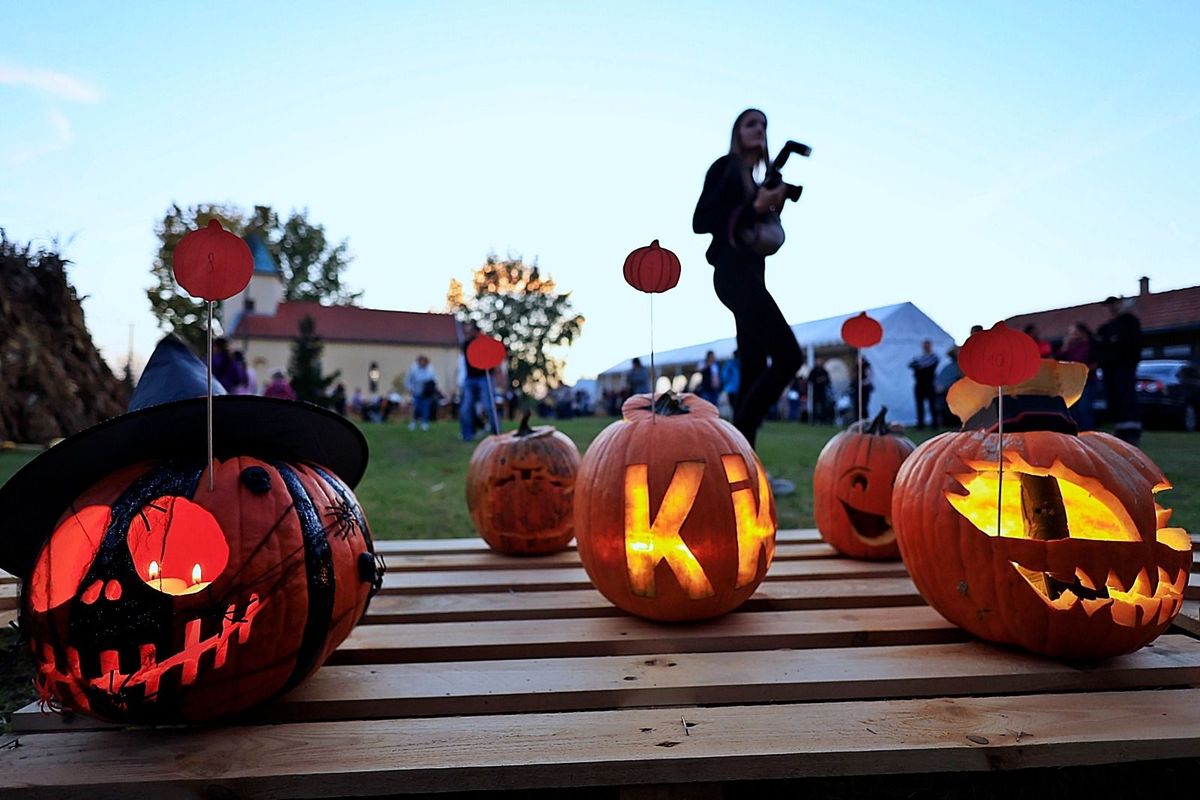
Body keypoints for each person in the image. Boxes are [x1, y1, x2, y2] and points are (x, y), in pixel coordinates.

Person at [693, 108, 803, 449]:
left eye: (764, 125)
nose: (759, 129)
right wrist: (755, 208)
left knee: (754, 367)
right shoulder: (725, 168)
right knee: (789, 357)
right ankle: (734, 443)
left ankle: (742, 462)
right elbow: (701, 219)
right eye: (751, 123)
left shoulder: (756, 180)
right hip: (733, 274)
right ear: (737, 132)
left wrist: (771, 202)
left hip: (752, 276)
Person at [1096, 296, 1142, 444]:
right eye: (1108, 306)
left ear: (1120, 304)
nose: (1111, 308)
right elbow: (1100, 345)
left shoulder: (1130, 322)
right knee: (1114, 399)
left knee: (1127, 398)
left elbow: (1134, 345)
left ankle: (1132, 432)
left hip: (1125, 368)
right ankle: (1121, 430)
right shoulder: (1106, 328)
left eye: (1114, 304)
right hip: (1109, 370)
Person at [458, 321, 499, 441]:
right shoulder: (466, 344)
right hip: (470, 379)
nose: (467, 333)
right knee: (466, 407)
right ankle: (467, 435)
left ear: (476, 331)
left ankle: (497, 434)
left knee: (489, 406)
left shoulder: (485, 342)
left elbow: (492, 357)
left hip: (484, 378)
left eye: (470, 330)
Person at [1056, 322, 1096, 431]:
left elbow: (1094, 362)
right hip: (1072, 383)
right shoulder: (1070, 347)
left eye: (1074, 332)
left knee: (1084, 408)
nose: (1072, 335)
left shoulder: (1089, 346)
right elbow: (1058, 359)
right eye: (1070, 333)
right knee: (1073, 409)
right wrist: (1065, 346)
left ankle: (1088, 432)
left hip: (1086, 382)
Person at [908, 339, 939, 429]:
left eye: (927, 345)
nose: (926, 347)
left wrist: (920, 367)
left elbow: (929, 367)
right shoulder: (919, 357)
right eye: (924, 345)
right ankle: (920, 424)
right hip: (919, 383)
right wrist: (921, 367)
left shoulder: (934, 357)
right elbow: (910, 365)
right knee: (919, 405)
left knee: (932, 404)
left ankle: (935, 424)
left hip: (929, 383)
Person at [406, 354, 438, 431]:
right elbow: (408, 380)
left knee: (425, 408)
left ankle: (425, 423)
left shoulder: (430, 369)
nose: (423, 363)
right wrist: (410, 388)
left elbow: (434, 379)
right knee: (416, 407)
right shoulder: (414, 369)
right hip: (416, 391)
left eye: (424, 361)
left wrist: (432, 387)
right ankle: (413, 422)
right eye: (421, 361)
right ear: (419, 362)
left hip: (426, 392)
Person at [807, 357, 831, 424]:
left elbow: (828, 381)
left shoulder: (824, 371)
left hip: (822, 391)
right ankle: (813, 420)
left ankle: (823, 420)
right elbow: (809, 380)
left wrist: (824, 380)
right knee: (814, 406)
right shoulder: (813, 371)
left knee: (823, 406)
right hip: (815, 391)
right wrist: (817, 381)